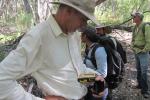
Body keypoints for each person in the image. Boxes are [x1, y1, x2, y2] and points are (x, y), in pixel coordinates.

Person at [0, 0, 103, 100]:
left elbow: (78, 73)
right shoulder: (38, 37)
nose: (84, 25)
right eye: (83, 19)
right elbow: (2, 79)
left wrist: (95, 77)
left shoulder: (73, 35)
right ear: (69, 11)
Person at [81, 27, 108, 100]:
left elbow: (103, 73)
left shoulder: (99, 50)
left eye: (81, 35)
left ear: (85, 36)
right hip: (90, 87)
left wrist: (82, 78)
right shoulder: (89, 48)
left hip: (98, 89)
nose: (80, 37)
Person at [131, 12, 150, 98]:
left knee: (144, 71)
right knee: (138, 69)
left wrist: (144, 50)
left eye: (134, 17)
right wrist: (132, 47)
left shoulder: (145, 26)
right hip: (136, 51)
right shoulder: (135, 27)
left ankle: (145, 90)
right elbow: (133, 39)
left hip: (143, 53)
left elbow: (149, 41)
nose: (133, 18)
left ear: (138, 17)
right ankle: (139, 85)